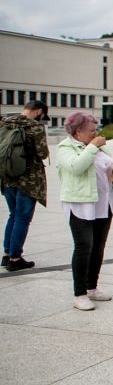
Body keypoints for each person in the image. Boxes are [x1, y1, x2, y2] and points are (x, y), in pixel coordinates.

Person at [56, 112, 113, 311]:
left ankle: (92, 287)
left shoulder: (96, 148)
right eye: (92, 131)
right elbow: (76, 167)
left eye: (96, 130)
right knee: (84, 246)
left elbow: (105, 169)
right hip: (81, 204)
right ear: (78, 132)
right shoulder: (65, 148)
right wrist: (93, 147)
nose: (96, 134)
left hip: (104, 203)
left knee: (98, 246)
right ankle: (79, 293)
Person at [2, 100, 49, 271]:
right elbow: (43, 153)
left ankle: (7, 254)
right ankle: (15, 258)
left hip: (7, 178)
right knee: (22, 218)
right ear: (38, 111)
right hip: (27, 180)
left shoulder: (5, 123)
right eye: (42, 115)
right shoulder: (35, 127)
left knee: (13, 215)